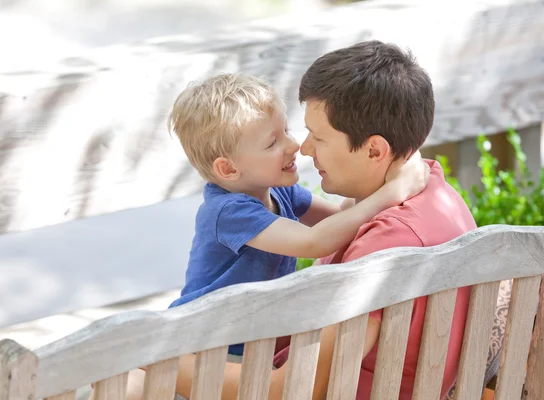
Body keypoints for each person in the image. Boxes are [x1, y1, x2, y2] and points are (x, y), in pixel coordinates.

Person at [125, 40, 476, 400]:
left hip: (244, 353)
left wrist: (146, 353)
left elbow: (291, 390)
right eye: (277, 141)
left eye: (317, 137)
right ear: (228, 168)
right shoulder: (435, 191)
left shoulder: (384, 245)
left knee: (127, 367)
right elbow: (327, 231)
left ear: (374, 150)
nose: (301, 148)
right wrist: (379, 187)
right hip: (214, 336)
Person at [166, 73, 429, 358]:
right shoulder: (228, 211)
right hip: (206, 346)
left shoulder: (279, 192)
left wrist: (374, 173)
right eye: (272, 143)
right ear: (228, 169)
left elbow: (338, 220)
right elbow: (314, 242)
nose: (293, 146)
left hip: (251, 340)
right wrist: (393, 192)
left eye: (286, 131)